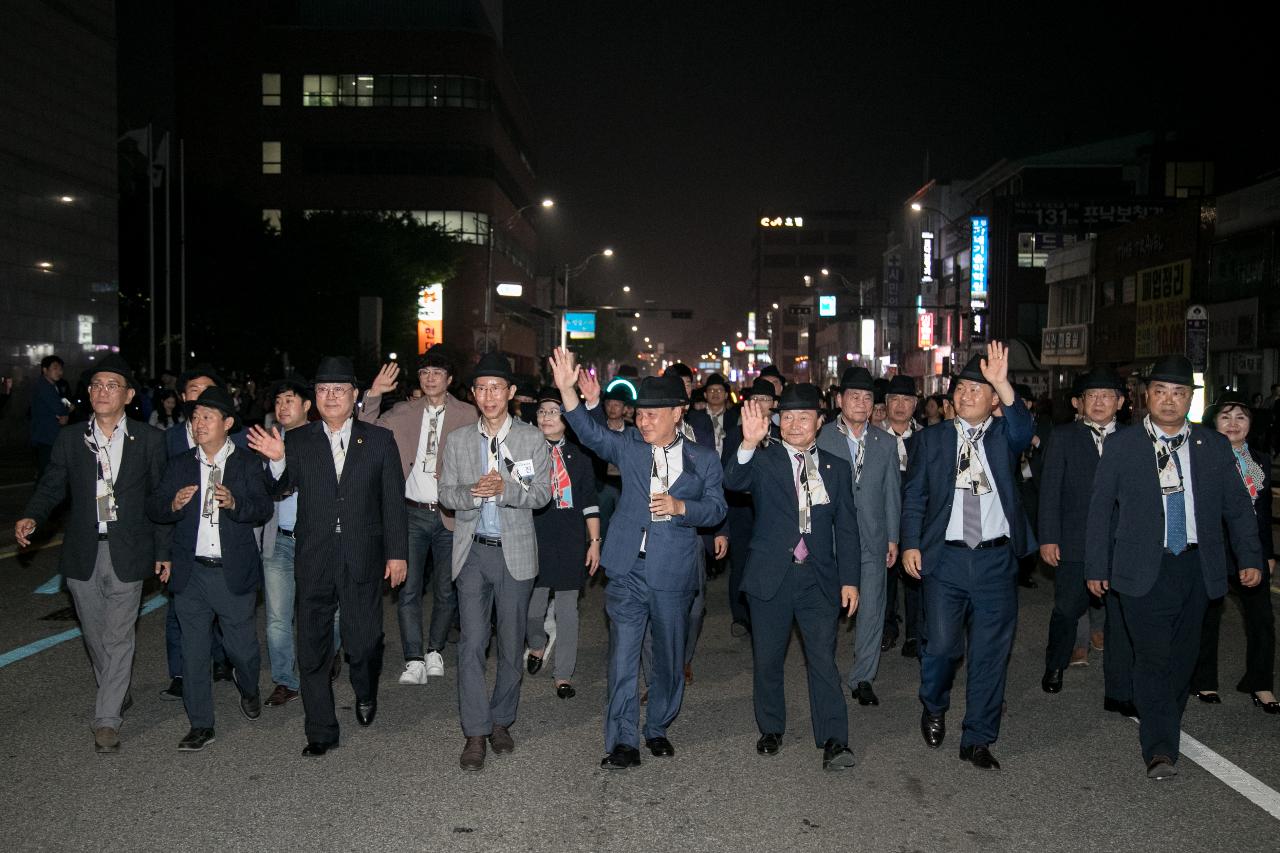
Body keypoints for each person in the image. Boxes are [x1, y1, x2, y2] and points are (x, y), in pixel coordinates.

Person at [1085, 355, 1263, 779]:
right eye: (1161, 392)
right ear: (1146, 396)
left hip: (1197, 568)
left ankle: (1164, 718)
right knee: (1152, 656)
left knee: (1182, 660)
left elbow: (1238, 508)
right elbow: (1099, 510)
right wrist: (1096, 565)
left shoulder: (1212, 445)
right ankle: (1160, 747)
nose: (1169, 401)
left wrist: (1251, 557)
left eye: (1179, 393)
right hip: (1141, 568)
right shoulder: (1123, 445)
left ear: (1190, 400)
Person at [551, 348, 726, 769]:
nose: (643, 421)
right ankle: (623, 740)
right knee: (623, 656)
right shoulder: (629, 446)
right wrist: (567, 392)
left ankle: (658, 726)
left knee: (668, 658)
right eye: (640, 414)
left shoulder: (702, 459)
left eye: (652, 414)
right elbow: (592, 435)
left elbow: (718, 509)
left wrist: (684, 509)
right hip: (628, 566)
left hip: (673, 571)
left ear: (678, 412)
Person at [248, 355, 409, 757]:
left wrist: (397, 554)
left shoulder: (377, 440)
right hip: (314, 555)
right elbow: (281, 486)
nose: (331, 397)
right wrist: (277, 458)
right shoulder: (300, 440)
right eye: (322, 390)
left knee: (364, 641)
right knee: (313, 645)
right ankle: (320, 729)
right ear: (315, 398)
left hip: (362, 553)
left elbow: (392, 500)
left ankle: (366, 689)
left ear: (354, 396)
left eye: (339, 390)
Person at [15, 354, 171, 754]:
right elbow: (52, 485)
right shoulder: (71, 439)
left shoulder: (149, 440)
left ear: (129, 395)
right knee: (96, 633)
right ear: (89, 393)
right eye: (97, 385)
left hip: (129, 549)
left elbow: (158, 500)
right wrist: (32, 516)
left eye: (112, 386)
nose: (103, 392)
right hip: (84, 550)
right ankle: (116, 690)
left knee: (119, 636)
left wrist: (164, 550)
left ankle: (107, 719)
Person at [901, 342, 1034, 771]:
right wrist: (910, 543)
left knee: (990, 654)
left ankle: (977, 736)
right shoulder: (933, 440)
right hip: (947, 559)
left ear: (994, 398)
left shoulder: (1003, 438)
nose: (966, 395)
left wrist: (1003, 382)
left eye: (978, 389)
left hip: (995, 559)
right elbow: (915, 497)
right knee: (940, 646)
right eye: (960, 389)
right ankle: (934, 702)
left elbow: (1023, 428)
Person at [726, 384, 861, 770]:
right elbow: (733, 481)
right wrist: (748, 443)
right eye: (786, 417)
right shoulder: (763, 461)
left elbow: (848, 529)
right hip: (771, 576)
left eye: (804, 417)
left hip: (818, 578)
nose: (795, 425)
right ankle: (771, 727)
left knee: (822, 659)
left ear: (820, 422)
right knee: (768, 658)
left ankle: (835, 739)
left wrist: (849, 580)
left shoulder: (836, 467)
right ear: (777, 422)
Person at [437, 352, 551, 771]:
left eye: (497, 388)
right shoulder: (460, 439)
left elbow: (542, 494)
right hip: (472, 552)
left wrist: (503, 489)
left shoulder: (531, 439)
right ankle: (475, 731)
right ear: (474, 393)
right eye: (482, 388)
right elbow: (446, 494)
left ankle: (502, 719)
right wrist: (474, 491)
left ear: (512, 393)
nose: (489, 396)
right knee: (470, 643)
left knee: (510, 640)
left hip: (515, 554)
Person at [147, 387, 272, 751]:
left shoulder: (247, 463)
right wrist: (171, 503)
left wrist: (235, 502)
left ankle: (248, 685)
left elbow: (261, 508)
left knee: (242, 648)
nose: (198, 424)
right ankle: (201, 724)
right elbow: (155, 508)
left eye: (207, 417)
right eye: (195, 417)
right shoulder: (181, 463)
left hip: (231, 571)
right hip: (191, 572)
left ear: (227, 423)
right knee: (193, 650)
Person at [359, 348, 476, 685]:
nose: (430, 378)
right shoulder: (403, 412)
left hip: (450, 514)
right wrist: (373, 395)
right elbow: (366, 431)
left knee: (445, 587)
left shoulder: (467, 414)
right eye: (424, 373)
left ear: (449, 379)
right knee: (407, 588)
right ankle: (413, 658)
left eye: (437, 373)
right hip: (410, 512)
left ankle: (435, 649)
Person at [1037, 368, 1134, 712]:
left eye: (1107, 396)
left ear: (1120, 402)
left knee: (1122, 616)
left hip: (1122, 541)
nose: (1099, 402)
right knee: (1067, 608)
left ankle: (1121, 686)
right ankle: (1055, 663)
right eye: (1091, 396)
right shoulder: (1064, 436)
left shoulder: (1133, 438)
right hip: (1074, 539)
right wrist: (1048, 537)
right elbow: (1049, 491)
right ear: (1078, 402)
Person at [159, 364, 247, 700]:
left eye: (209, 390)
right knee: (179, 609)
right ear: (183, 397)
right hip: (181, 539)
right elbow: (156, 494)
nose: (202, 397)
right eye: (195, 390)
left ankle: (223, 658)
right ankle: (181, 672)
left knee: (225, 605)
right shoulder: (166, 440)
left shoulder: (237, 440)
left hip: (223, 540)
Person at [816, 366, 901, 706]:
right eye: (854, 396)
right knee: (824, 610)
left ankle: (863, 676)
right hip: (831, 539)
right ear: (840, 400)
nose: (861, 403)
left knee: (872, 609)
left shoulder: (886, 442)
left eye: (868, 398)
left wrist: (893, 538)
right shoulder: (821, 437)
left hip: (872, 538)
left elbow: (892, 494)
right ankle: (825, 674)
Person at [1190, 391, 1276, 713]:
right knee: (1208, 616)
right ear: (1214, 423)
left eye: (1241, 417)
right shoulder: (1200, 459)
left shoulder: (1260, 461)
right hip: (1213, 548)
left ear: (1250, 424)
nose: (1233, 423)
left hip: (1250, 550)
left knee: (1262, 619)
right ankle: (1204, 680)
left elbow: (1263, 513)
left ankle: (1261, 683)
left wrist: (1267, 553)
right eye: (1225, 416)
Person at [258, 377, 341, 707]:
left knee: (328, 610)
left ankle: (328, 655)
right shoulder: (267, 441)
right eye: (278, 400)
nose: (282, 406)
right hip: (279, 540)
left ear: (307, 405)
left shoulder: (324, 440)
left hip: (317, 541)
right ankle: (285, 680)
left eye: (289, 399)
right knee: (278, 617)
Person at [525, 387, 602, 698]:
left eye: (554, 412)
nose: (546, 417)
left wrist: (594, 541)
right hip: (534, 536)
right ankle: (537, 643)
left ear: (567, 420)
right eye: (542, 411)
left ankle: (563, 674)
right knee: (533, 608)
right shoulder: (525, 451)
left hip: (570, 538)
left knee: (568, 611)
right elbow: (521, 490)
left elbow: (589, 501)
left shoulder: (580, 456)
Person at [881, 374, 923, 657]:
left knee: (915, 575)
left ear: (915, 404)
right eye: (894, 399)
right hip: (883, 516)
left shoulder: (926, 437)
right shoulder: (873, 436)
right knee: (884, 576)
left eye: (906, 400)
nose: (900, 405)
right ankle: (886, 627)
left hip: (916, 517)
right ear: (885, 403)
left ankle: (915, 634)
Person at [31, 354, 70, 478]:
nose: (59, 372)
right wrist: (67, 410)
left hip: (48, 435)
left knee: (49, 471)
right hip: (46, 435)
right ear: (45, 370)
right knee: (47, 471)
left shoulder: (51, 386)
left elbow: (59, 406)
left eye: (60, 369)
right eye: (55, 368)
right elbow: (58, 407)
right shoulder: (44, 386)